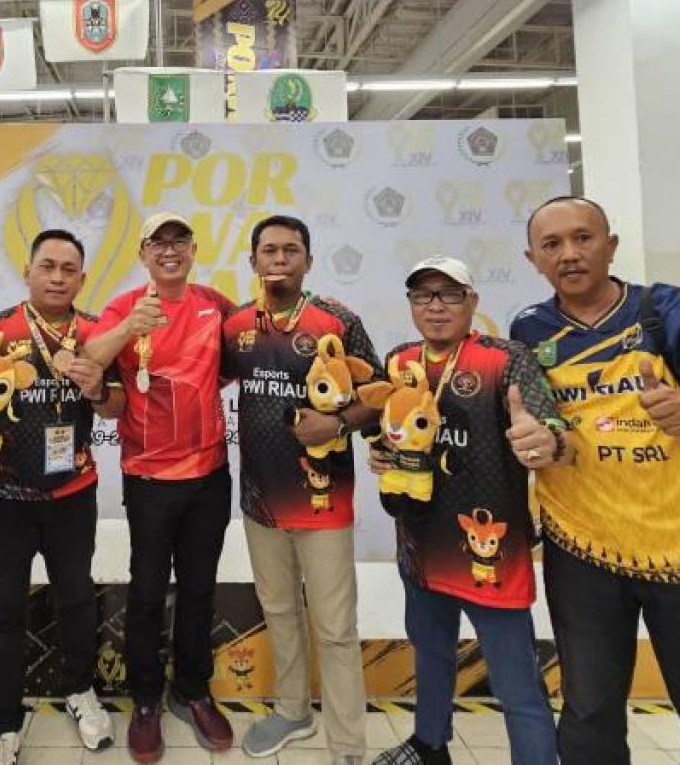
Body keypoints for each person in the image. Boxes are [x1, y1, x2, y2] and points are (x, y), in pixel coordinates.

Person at [511, 196, 680, 765]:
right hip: (583, 551)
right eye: (552, 244)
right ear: (533, 259)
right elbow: (548, 426)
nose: (569, 254)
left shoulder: (667, 309)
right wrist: (544, 444)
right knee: (589, 715)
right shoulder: (528, 329)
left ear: (611, 245)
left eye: (583, 238)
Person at [368, 256, 564, 765]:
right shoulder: (399, 360)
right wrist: (380, 452)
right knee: (432, 655)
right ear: (411, 304)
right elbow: (389, 429)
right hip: (420, 544)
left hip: (490, 551)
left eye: (449, 294)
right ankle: (430, 745)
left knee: (516, 683)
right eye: (423, 295)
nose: (435, 306)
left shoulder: (506, 358)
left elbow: (546, 423)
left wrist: (543, 436)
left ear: (472, 301)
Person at [220, 216, 382, 765]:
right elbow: (204, 377)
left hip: (323, 501)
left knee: (335, 628)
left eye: (291, 250)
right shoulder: (235, 325)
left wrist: (337, 424)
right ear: (254, 262)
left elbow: (377, 396)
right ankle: (292, 712)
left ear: (308, 261)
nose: (280, 259)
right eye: (269, 250)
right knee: (280, 611)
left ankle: (348, 746)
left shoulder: (338, 320)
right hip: (260, 500)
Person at [0, 229, 125, 765]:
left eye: (68, 269)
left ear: (82, 278)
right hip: (1, 498)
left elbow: (117, 408)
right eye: (48, 267)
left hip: (72, 493)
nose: (58, 278)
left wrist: (96, 388)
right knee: (2, 610)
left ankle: (80, 691)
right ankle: (3, 721)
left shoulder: (98, 333)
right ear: (28, 272)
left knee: (75, 596)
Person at [85, 212, 236, 763]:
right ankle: (145, 699)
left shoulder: (215, 304)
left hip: (209, 476)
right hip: (148, 477)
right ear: (144, 254)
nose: (169, 251)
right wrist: (129, 328)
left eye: (179, 241)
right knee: (147, 592)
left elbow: (232, 364)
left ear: (193, 249)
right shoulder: (123, 307)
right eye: (158, 243)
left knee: (198, 589)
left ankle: (192, 691)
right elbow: (89, 361)